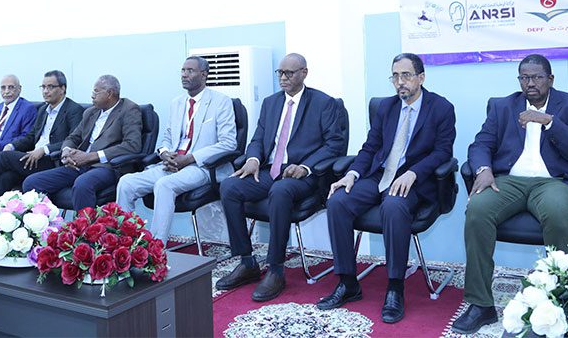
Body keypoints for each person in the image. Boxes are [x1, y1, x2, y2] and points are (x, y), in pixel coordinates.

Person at [452, 54, 568, 334]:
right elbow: (481, 144)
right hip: (508, 181)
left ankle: (563, 300)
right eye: (524, 78)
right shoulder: (502, 106)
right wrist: (483, 169)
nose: (530, 83)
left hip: (554, 182)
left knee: (558, 214)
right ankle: (480, 304)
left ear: (550, 79)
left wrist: (550, 122)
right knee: (477, 209)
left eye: (537, 77)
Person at [317, 52, 456, 324]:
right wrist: (352, 174)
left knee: (393, 206)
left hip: (414, 180)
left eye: (406, 75)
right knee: (338, 201)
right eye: (395, 76)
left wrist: (414, 173)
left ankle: (395, 288)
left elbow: (443, 152)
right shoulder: (386, 107)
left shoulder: (441, 108)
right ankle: (347, 282)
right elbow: (370, 147)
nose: (400, 82)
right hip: (379, 174)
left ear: (421, 77)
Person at [215, 53, 346, 302]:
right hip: (270, 170)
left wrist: (305, 166)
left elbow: (334, 145)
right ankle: (247, 261)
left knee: (280, 191)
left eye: (289, 73)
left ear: (304, 73)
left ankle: (275, 269)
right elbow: (257, 139)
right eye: (280, 73)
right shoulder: (271, 103)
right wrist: (253, 159)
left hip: (302, 174)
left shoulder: (323, 103)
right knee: (230, 186)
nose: (283, 78)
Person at [115, 56, 237, 241]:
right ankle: (124, 244)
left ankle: (156, 248)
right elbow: (167, 137)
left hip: (201, 167)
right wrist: (165, 154)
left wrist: (189, 158)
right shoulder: (177, 103)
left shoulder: (221, 102)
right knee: (126, 183)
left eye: (190, 71)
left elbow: (228, 143)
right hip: (172, 165)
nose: (184, 75)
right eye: (183, 70)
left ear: (204, 74)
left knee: (164, 185)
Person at [21, 75, 143, 210]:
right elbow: (73, 137)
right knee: (32, 182)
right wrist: (66, 152)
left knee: (82, 184)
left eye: (96, 91)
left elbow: (132, 145)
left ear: (109, 93)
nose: (92, 95)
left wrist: (92, 156)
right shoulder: (91, 112)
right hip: (79, 164)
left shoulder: (129, 109)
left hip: (108, 167)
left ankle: (85, 224)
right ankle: (46, 221)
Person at [0, 70, 84, 194]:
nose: (45, 91)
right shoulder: (43, 109)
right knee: (6, 177)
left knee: (3, 157)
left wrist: (44, 150)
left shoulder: (74, 110)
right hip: (33, 157)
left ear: (62, 88)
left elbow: (73, 140)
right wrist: (12, 145)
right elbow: (31, 136)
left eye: (50, 87)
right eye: (43, 87)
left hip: (52, 159)